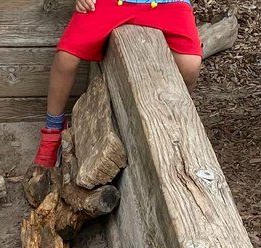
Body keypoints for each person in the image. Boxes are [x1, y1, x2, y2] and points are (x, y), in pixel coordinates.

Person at [32, 0, 203, 171]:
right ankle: (52, 130)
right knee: (66, 58)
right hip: (111, 3)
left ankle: (175, 125)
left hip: (167, 4)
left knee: (190, 65)